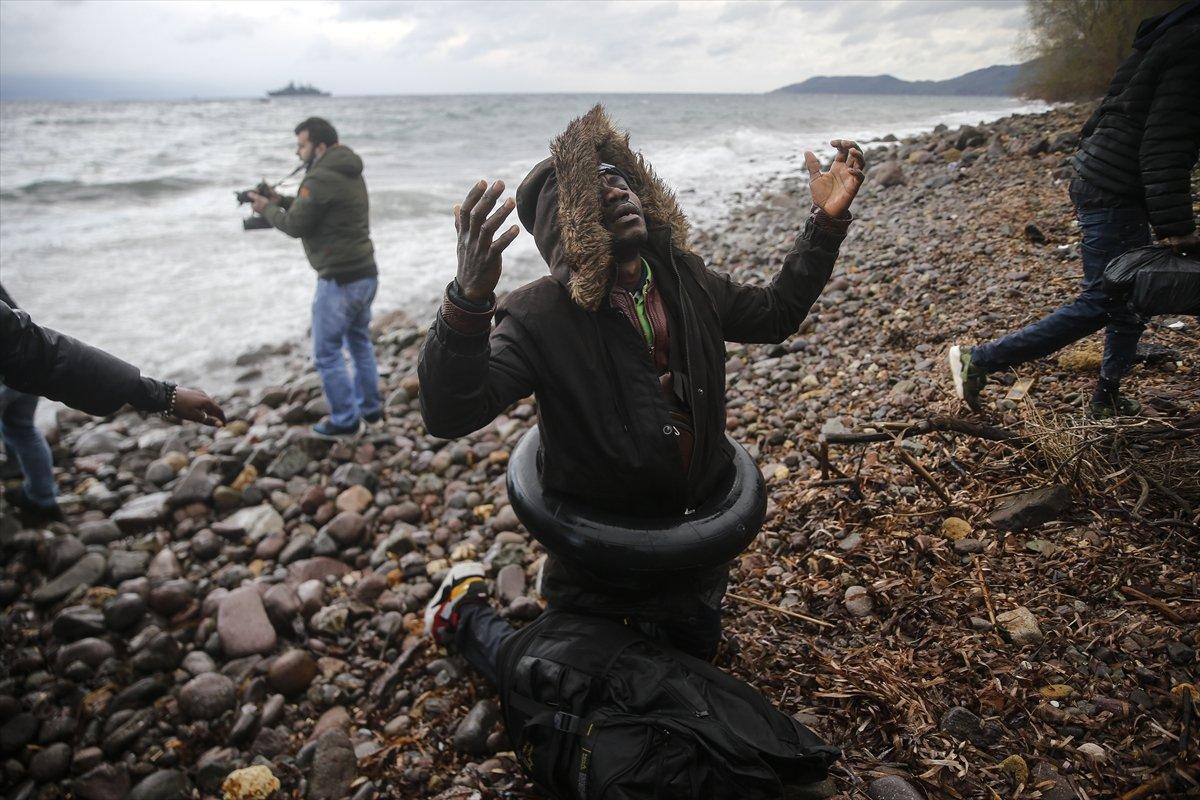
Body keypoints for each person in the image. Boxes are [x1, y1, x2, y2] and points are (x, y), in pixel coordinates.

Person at [419, 105, 863, 660]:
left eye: (621, 180)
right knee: (571, 691)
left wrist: (824, 226)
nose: (618, 191)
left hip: (693, 550)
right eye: (594, 189)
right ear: (566, 223)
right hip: (596, 565)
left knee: (691, 675)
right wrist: (467, 300)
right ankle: (465, 615)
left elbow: (776, 314)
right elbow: (450, 412)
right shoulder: (537, 316)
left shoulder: (688, 279)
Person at [949, 0, 1200, 418]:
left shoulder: (1166, 36)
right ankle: (980, 360)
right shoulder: (1192, 42)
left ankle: (1108, 396)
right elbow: (1164, 142)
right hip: (1114, 186)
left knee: (1128, 295)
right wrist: (1177, 226)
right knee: (1105, 298)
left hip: (1106, 178)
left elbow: (1109, 109)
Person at [0, 287, 226, 522]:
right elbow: (33, 346)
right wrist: (161, 395)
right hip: (16, 377)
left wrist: (163, 394)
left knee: (18, 428)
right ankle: (42, 497)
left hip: (12, 372)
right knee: (21, 428)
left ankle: (36, 494)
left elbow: (33, 347)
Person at [248, 116, 383, 437]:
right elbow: (314, 209)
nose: (298, 153)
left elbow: (295, 225)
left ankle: (345, 419)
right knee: (360, 343)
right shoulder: (347, 169)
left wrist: (266, 208)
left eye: (302, 146)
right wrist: (279, 201)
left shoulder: (320, 177)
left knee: (326, 353)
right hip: (365, 273)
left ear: (319, 146)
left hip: (339, 281)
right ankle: (370, 408)